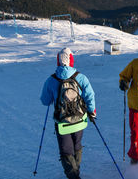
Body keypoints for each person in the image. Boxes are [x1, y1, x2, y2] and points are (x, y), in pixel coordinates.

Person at [40, 47, 96, 179]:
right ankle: (76, 171)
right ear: (71, 61)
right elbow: (90, 96)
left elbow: (45, 101)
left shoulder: (51, 80)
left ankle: (73, 175)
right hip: (80, 120)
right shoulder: (80, 77)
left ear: (58, 62)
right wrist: (92, 112)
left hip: (62, 123)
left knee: (66, 150)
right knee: (77, 146)